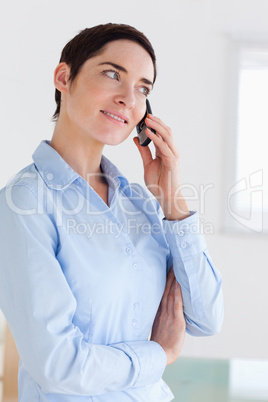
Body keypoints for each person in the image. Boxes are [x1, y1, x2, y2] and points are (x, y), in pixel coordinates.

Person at [0, 23, 224, 401]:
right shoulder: (24, 204)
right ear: (63, 77)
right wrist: (160, 354)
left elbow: (206, 318)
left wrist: (173, 201)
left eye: (143, 88)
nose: (128, 98)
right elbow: (58, 367)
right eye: (111, 74)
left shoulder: (138, 202)